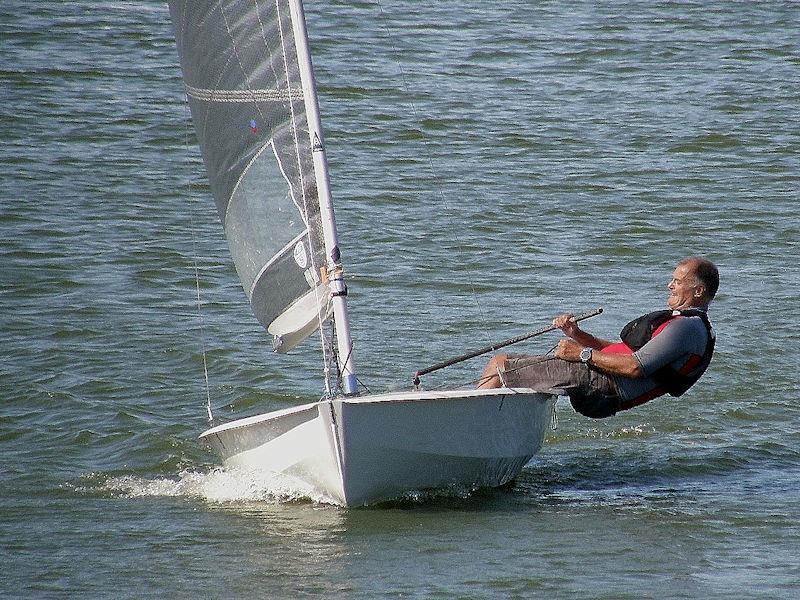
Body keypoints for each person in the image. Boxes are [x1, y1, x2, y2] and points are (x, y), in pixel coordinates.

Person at [478, 257, 719, 418]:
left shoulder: (688, 328)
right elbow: (622, 351)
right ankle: (498, 427)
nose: (670, 285)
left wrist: (582, 354)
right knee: (517, 372)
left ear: (698, 291)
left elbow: (635, 367)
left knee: (500, 365)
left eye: (677, 281)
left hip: (605, 387)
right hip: (604, 381)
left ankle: (474, 427)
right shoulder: (689, 327)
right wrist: (578, 335)